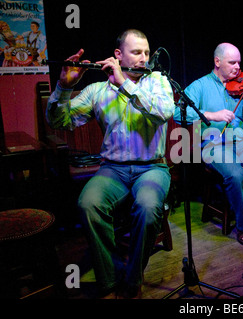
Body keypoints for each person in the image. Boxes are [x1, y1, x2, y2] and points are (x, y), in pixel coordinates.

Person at [46, 29, 175, 298]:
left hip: (152, 167)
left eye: (146, 53)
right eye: (136, 52)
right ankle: (110, 279)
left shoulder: (157, 82)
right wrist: (65, 87)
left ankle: (133, 278)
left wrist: (125, 85)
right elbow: (59, 122)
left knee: (149, 207)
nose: (143, 59)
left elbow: (164, 113)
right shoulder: (97, 91)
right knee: (88, 203)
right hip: (112, 169)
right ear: (118, 55)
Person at [173, 43, 243, 246]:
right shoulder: (200, 86)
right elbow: (178, 113)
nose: (237, 67)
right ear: (217, 62)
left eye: (239, 62)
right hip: (212, 144)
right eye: (232, 62)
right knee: (235, 174)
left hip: (241, 141)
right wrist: (211, 115)